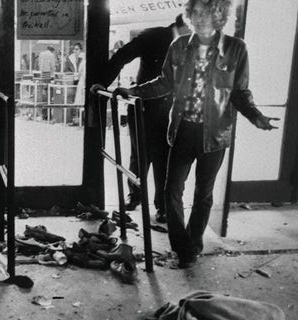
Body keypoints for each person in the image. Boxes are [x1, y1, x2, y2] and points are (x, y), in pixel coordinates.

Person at [112, 0, 279, 268]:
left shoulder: (236, 49)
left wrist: (255, 116)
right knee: (171, 191)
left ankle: (194, 243)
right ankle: (184, 248)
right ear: (189, 15)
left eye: (207, 13)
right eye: (196, 13)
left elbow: (239, 92)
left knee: (203, 194)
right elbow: (164, 83)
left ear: (219, 15)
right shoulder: (179, 46)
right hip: (182, 130)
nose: (200, 18)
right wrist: (133, 92)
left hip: (215, 135)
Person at [90, 14, 191, 223]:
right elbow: (123, 56)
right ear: (186, 23)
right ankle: (134, 196)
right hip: (144, 106)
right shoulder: (154, 36)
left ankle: (162, 207)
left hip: (173, 111)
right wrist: (102, 82)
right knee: (138, 155)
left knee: (164, 159)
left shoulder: (194, 44)